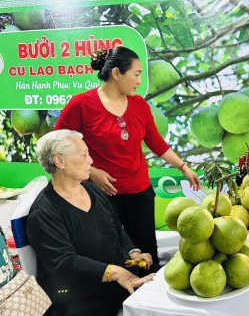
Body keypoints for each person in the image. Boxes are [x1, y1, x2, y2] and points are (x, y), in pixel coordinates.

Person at [55, 47, 200, 268]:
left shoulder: (140, 106)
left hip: (139, 194)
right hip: (100, 197)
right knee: (109, 256)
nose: (140, 81)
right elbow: (57, 142)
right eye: (136, 74)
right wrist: (91, 172)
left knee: (146, 256)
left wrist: (183, 167)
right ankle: (115, 301)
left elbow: (156, 143)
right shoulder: (81, 105)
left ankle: (144, 300)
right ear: (116, 74)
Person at [28, 130, 155, 316]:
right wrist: (118, 273)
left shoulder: (92, 190)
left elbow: (117, 228)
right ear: (59, 161)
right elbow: (65, 263)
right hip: (79, 299)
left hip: (117, 287)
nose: (91, 161)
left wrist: (133, 253)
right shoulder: (44, 212)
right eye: (84, 155)